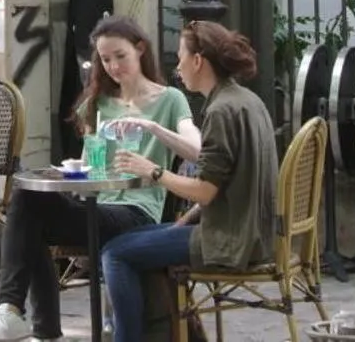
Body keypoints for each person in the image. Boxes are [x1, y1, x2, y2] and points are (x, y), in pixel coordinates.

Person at [0, 15, 200, 341]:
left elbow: (196, 149)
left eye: (120, 56)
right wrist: (70, 172)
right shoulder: (99, 102)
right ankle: (12, 312)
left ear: (140, 49)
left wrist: (152, 127)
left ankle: (41, 329)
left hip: (137, 213)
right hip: (97, 205)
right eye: (105, 59)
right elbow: (88, 165)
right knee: (27, 201)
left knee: (31, 220)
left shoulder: (169, 99)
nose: (113, 67)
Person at [101, 22, 279, 342]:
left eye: (181, 56)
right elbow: (228, 185)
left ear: (198, 61)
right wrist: (184, 221)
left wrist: (154, 171)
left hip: (230, 240)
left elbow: (206, 192)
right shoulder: (246, 99)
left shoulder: (221, 111)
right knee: (131, 239)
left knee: (115, 253)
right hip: (252, 232)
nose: (177, 66)